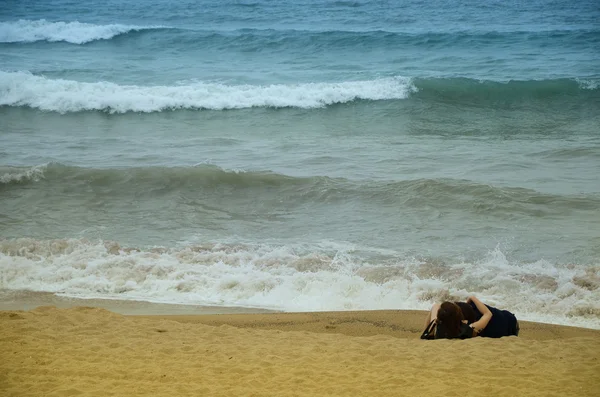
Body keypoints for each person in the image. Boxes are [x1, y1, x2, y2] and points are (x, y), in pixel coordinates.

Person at [423, 296, 519, 339]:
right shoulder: (468, 329)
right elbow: (488, 314)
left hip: (501, 324)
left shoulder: (437, 330)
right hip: (511, 323)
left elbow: (435, 306)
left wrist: (434, 322)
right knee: (475, 309)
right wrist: (472, 298)